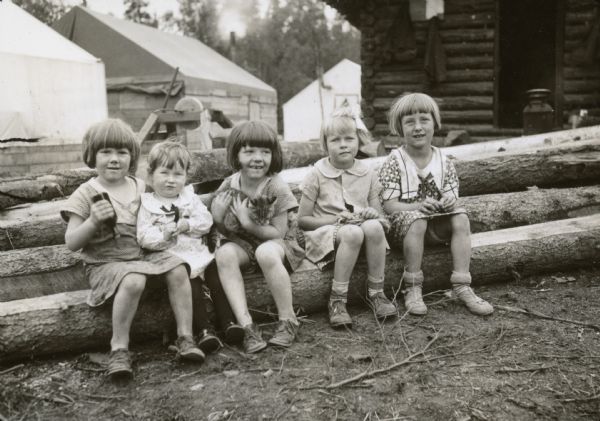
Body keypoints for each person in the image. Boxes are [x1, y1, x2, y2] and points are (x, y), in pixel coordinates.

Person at [60, 119, 204, 380]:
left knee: (179, 268)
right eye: (106, 152)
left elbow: (163, 207)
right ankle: (119, 348)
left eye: (122, 152)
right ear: (92, 155)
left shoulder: (139, 186)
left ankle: (185, 336)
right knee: (134, 279)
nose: (114, 159)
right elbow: (72, 242)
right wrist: (92, 221)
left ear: (133, 157)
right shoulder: (85, 193)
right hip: (105, 262)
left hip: (142, 255)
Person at [379, 93, 493, 316]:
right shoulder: (395, 161)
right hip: (402, 230)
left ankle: (462, 284)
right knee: (418, 221)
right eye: (410, 122)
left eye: (424, 120)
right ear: (400, 128)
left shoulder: (444, 162)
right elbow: (389, 206)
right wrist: (417, 207)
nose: (418, 127)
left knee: (460, 217)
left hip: (435, 227)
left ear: (435, 123)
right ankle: (412, 287)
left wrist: (449, 201)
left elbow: (452, 197)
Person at [136, 140, 243, 354]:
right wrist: (163, 235)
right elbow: (143, 237)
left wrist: (189, 224)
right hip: (174, 258)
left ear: (186, 177)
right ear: (150, 176)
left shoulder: (189, 198)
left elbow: (206, 221)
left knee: (216, 275)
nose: (170, 180)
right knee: (191, 284)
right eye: (164, 173)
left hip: (198, 252)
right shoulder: (148, 204)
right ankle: (204, 330)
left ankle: (228, 322)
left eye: (177, 175)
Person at [297, 107, 397, 329]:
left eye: (349, 138)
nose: (343, 144)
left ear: (359, 141)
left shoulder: (368, 173)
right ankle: (338, 299)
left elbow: (380, 215)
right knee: (352, 232)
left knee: (373, 228)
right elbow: (303, 220)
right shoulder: (317, 174)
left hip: (360, 232)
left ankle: (377, 293)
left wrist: (373, 214)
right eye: (336, 140)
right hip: (325, 233)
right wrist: (334, 220)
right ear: (325, 144)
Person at [210, 121, 304, 353]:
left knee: (266, 251)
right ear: (236, 154)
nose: (258, 158)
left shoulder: (275, 187)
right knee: (224, 254)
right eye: (249, 151)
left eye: (265, 151)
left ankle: (288, 319)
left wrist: (247, 222)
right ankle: (247, 326)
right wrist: (218, 217)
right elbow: (223, 231)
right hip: (244, 244)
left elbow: (278, 233)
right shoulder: (229, 184)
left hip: (279, 244)